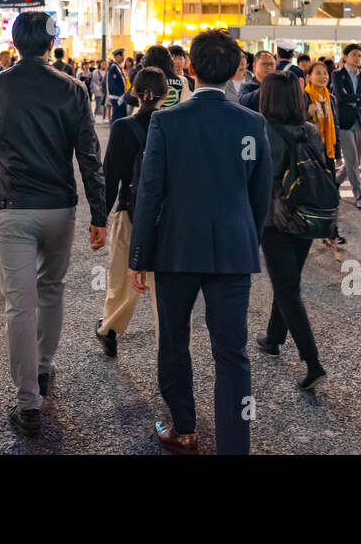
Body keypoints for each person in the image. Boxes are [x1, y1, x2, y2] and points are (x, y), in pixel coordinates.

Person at [0, 13, 106, 437]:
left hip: (13, 206)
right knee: (52, 289)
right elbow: (89, 157)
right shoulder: (73, 89)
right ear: (50, 43)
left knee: (19, 304)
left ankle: (28, 403)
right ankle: (44, 368)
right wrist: (99, 214)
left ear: (16, 41)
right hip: (60, 207)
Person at [129, 29, 271, 455]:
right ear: (236, 70)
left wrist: (139, 254)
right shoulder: (251, 122)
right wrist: (247, 235)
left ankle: (184, 429)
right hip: (232, 246)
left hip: (175, 246)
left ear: (188, 68)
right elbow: (259, 194)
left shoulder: (167, 121)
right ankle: (235, 444)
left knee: (174, 340)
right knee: (233, 352)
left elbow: (150, 191)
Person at [254, 70, 327, 389]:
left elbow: (260, 177)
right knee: (289, 279)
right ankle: (273, 337)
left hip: (276, 218)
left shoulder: (263, 131)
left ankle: (313, 363)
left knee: (287, 288)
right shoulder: (310, 130)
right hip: (308, 215)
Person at [96, 67, 168, 358]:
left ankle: (110, 329)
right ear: (166, 94)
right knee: (163, 288)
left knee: (122, 279)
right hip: (167, 217)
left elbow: (110, 176)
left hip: (130, 210)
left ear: (135, 92)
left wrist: (98, 219)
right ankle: (169, 346)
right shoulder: (172, 125)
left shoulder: (123, 127)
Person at [330, 43, 361, 211]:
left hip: (360, 122)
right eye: (354, 54)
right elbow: (341, 97)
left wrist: (353, 97)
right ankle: (359, 195)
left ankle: (335, 182)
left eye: (359, 55)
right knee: (352, 161)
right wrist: (358, 97)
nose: (357, 58)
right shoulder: (337, 74)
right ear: (345, 56)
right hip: (345, 122)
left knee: (356, 160)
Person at [107, 49, 129, 121]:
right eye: (122, 56)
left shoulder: (118, 67)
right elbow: (113, 83)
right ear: (116, 56)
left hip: (121, 96)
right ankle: (114, 131)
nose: (123, 58)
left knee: (121, 116)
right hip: (117, 97)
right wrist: (120, 95)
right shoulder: (113, 68)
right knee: (117, 117)